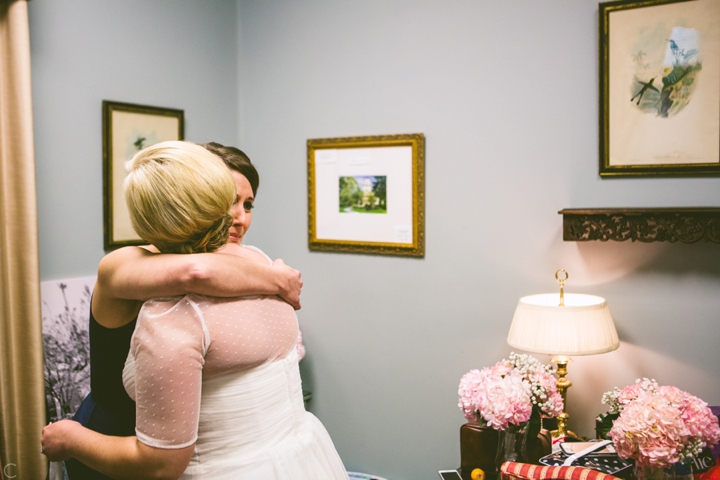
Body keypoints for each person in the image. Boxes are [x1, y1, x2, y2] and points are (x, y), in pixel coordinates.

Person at [42, 141, 348, 479]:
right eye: (227, 201)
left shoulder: (247, 262)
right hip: (115, 431)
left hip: (176, 442)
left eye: (247, 204)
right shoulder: (124, 263)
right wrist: (276, 277)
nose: (238, 217)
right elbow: (196, 272)